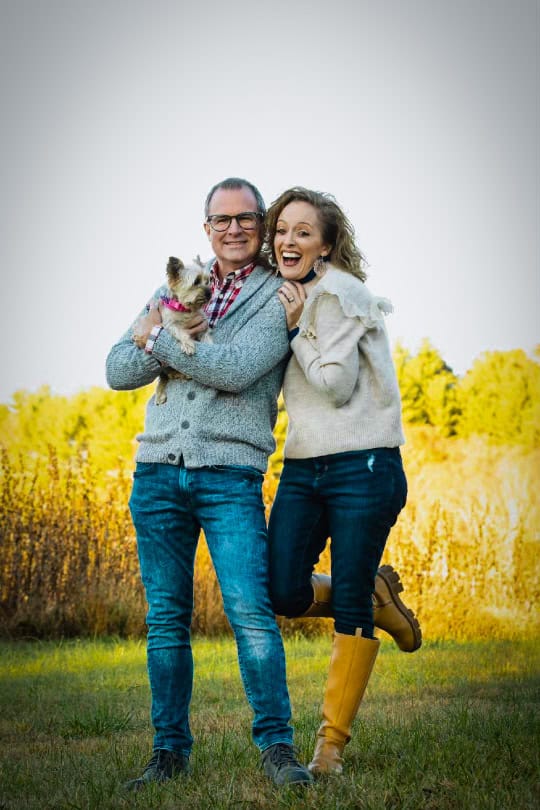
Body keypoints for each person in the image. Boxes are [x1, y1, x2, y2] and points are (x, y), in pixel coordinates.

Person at [106, 177, 314, 788]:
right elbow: (118, 367)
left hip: (230, 476)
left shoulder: (280, 294)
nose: (233, 229)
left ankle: (278, 747)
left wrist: (161, 334)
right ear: (206, 228)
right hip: (157, 474)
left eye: (246, 219)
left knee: (251, 615)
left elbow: (235, 370)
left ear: (260, 223)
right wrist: (171, 335)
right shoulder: (173, 283)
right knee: (166, 620)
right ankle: (168, 753)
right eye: (220, 220)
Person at [264, 186, 419, 776]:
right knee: (281, 589)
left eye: (303, 231)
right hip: (305, 465)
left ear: (326, 244)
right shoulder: (286, 294)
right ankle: (374, 596)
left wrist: (300, 327)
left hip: (365, 464)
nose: (287, 241)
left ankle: (330, 747)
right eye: (282, 229)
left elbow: (334, 384)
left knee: (347, 597)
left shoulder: (344, 295)